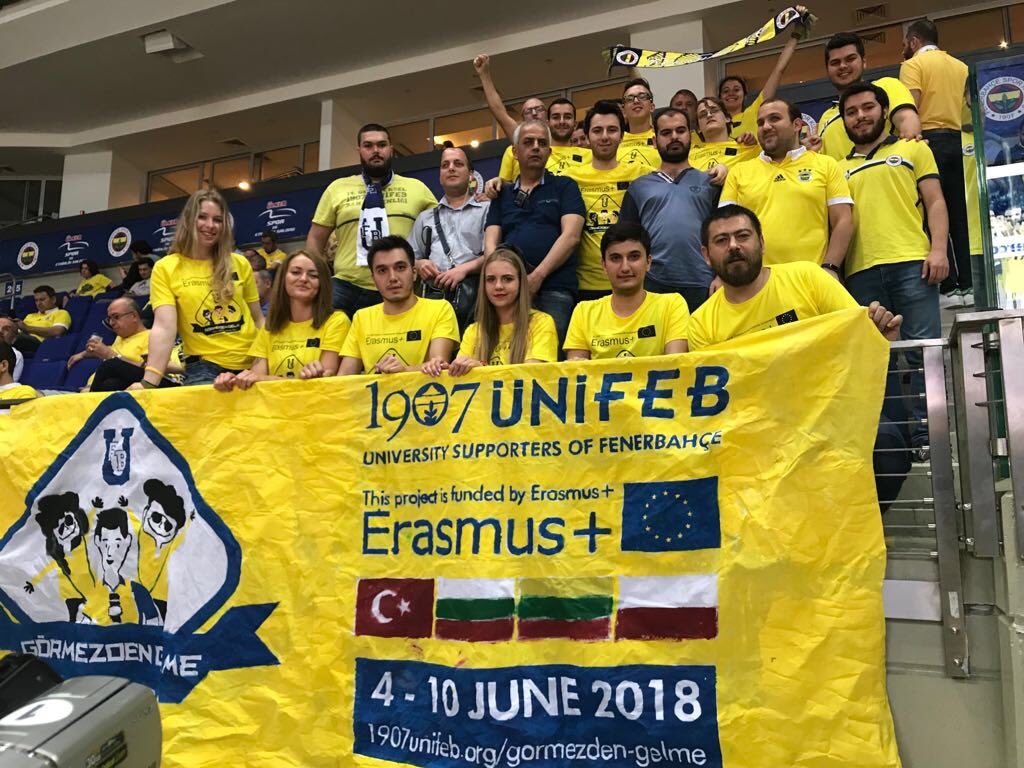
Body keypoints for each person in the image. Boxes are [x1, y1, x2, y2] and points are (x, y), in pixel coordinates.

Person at [839, 82, 948, 458]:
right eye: (851, 112)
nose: (860, 116)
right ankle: (892, 443)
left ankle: (929, 438)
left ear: (884, 111)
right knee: (875, 360)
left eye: (867, 108)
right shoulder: (836, 168)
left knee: (922, 354)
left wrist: (938, 250)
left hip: (913, 263)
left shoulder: (913, 149)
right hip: (859, 272)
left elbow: (935, 202)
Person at [688, 205, 902, 350]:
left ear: (762, 243)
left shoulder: (808, 278)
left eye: (743, 236)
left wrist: (880, 337)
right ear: (706, 255)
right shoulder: (701, 325)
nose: (733, 246)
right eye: (721, 240)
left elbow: (859, 338)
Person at [134, 189, 264, 388]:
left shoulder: (239, 263)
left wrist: (262, 363)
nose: (210, 225)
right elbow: (164, 328)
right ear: (188, 220)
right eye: (202, 217)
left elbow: (258, 319)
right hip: (204, 367)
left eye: (217, 220)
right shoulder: (166, 267)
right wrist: (149, 381)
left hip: (252, 364)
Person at [306, 124, 436, 317]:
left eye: (382, 145)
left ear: (391, 149)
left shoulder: (417, 188)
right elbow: (316, 238)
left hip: (399, 285)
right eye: (368, 146)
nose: (376, 151)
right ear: (359, 150)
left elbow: (443, 224)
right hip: (346, 285)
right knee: (327, 332)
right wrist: (317, 277)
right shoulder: (337, 188)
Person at [483, 120, 585, 346]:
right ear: (515, 152)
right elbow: (490, 242)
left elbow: (571, 237)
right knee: (507, 353)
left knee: (550, 354)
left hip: (555, 288)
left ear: (550, 151)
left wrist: (536, 277)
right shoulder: (501, 193)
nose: (536, 147)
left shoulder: (565, 186)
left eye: (542, 143)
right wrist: (499, 278)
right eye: (528, 142)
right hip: (508, 291)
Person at [720, 98, 853, 269]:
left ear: (797, 125)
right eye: (760, 123)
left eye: (774, 118)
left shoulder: (826, 164)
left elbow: (843, 221)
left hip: (811, 277)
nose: (766, 127)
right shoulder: (738, 172)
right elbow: (724, 228)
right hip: (756, 278)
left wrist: (830, 268)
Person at [619, 108, 724, 312]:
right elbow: (627, 240)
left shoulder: (711, 183)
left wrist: (721, 276)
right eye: (666, 133)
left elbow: (723, 235)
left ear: (690, 135)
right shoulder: (638, 187)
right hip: (653, 284)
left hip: (704, 283)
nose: (674, 137)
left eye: (680, 130)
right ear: (655, 140)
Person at [900, 18, 971, 299]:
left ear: (914, 41)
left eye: (905, 43)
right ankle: (968, 281)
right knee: (960, 214)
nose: (904, 49)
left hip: (928, 142)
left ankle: (948, 284)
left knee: (933, 211)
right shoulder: (961, 66)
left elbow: (910, 108)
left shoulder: (912, 66)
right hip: (958, 140)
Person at [215, 250, 350, 390]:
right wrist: (233, 380)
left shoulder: (336, 321)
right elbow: (255, 380)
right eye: (296, 272)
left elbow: (326, 380)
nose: (304, 279)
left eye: (313, 275)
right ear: (283, 279)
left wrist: (265, 379)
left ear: (323, 283)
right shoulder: (270, 327)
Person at [565, 221, 689, 359]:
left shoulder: (672, 305)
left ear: (648, 262)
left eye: (634, 257)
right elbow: (576, 370)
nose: (625, 267)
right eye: (615, 258)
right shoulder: (584, 312)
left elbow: (675, 365)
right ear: (604, 265)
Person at [338, 236, 459, 375]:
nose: (392, 278)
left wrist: (404, 371)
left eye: (400, 268)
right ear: (373, 279)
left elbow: (439, 365)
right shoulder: (362, 317)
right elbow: (344, 378)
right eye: (382, 270)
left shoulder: (440, 309)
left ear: (414, 273)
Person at [563, 100, 646, 301]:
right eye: (597, 130)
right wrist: (499, 183)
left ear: (622, 135)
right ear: (587, 136)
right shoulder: (568, 178)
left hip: (634, 282)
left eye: (612, 130)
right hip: (585, 286)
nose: (605, 136)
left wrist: (718, 170)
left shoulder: (641, 174)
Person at [473, 54, 591, 180]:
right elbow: (500, 113)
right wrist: (484, 75)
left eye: (539, 109)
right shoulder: (530, 145)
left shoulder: (587, 154)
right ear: (549, 121)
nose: (534, 114)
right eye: (528, 111)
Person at [410, 146, 489, 331]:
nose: (451, 168)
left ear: (471, 174)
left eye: (458, 164)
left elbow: (496, 256)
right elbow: (408, 258)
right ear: (440, 175)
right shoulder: (425, 218)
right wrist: (419, 264)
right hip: (434, 301)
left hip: (476, 301)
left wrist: (463, 270)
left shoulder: (487, 210)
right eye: (445, 165)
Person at [449, 247, 558, 374]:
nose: (498, 286)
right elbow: (459, 379)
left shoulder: (541, 322)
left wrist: (482, 370)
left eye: (508, 279)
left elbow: (531, 376)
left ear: (521, 283)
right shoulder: (473, 331)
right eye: (491, 279)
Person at [814, 32, 921, 161]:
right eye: (835, 62)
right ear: (827, 70)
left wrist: (912, 148)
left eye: (850, 59)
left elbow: (907, 120)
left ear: (864, 62)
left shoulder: (887, 86)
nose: (842, 66)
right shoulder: (825, 119)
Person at [66, 298, 183, 391]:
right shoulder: (120, 338)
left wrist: (112, 356)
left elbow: (154, 369)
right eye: (109, 318)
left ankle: (91, 398)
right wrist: (82, 354)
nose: (112, 323)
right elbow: (109, 350)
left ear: (133, 316)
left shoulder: (152, 336)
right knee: (111, 383)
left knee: (111, 367)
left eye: (116, 317)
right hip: (102, 387)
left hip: (148, 383)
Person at [718, 16, 803, 139]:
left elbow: (778, 70)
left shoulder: (755, 112)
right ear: (719, 97)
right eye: (726, 91)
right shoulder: (713, 125)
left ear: (745, 95)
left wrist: (796, 35)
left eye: (736, 89)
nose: (731, 93)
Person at [689, 97, 760, 172]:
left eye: (714, 110)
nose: (709, 115)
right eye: (703, 115)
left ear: (727, 118)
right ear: (698, 128)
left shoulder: (747, 148)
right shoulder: (689, 155)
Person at [617, 78, 661, 169]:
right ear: (623, 111)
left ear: (652, 107)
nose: (636, 101)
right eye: (629, 98)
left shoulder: (663, 137)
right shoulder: (614, 140)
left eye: (642, 96)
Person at [17, 285, 71, 354]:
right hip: (22, 339)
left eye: (42, 300)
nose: (38, 303)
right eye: (36, 300)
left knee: (13, 338)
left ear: (53, 299)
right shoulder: (30, 315)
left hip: (41, 344)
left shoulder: (61, 313)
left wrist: (27, 328)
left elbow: (57, 331)